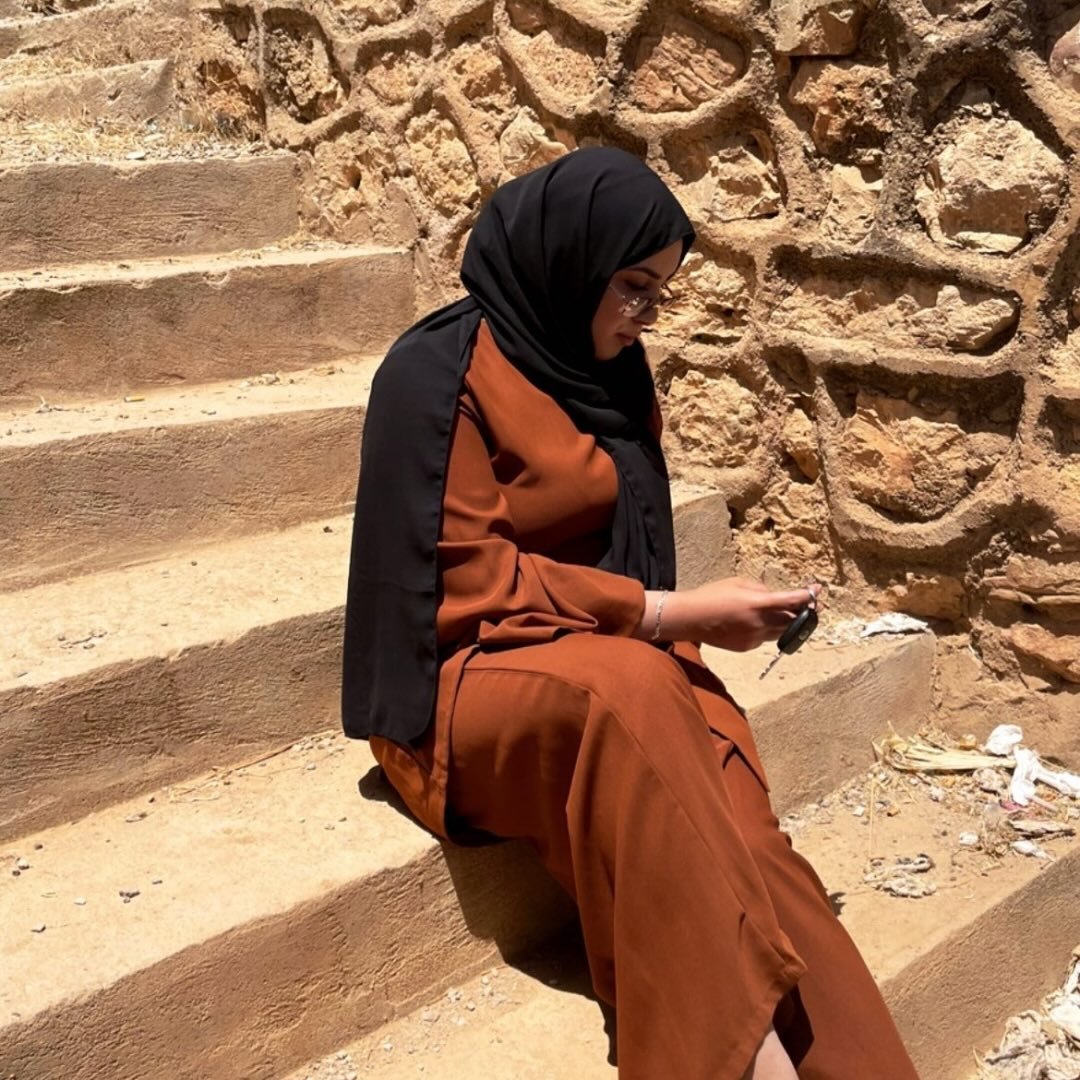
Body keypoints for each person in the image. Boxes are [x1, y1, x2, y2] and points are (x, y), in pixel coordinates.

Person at [341, 147, 919, 1079]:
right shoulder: (432, 377)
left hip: (612, 660)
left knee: (747, 838)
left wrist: (677, 626)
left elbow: (631, 543)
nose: (648, 316)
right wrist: (674, 614)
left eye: (661, 293)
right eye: (634, 288)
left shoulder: (610, 368)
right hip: (456, 686)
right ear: (569, 262)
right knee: (633, 689)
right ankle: (748, 1061)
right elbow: (474, 586)